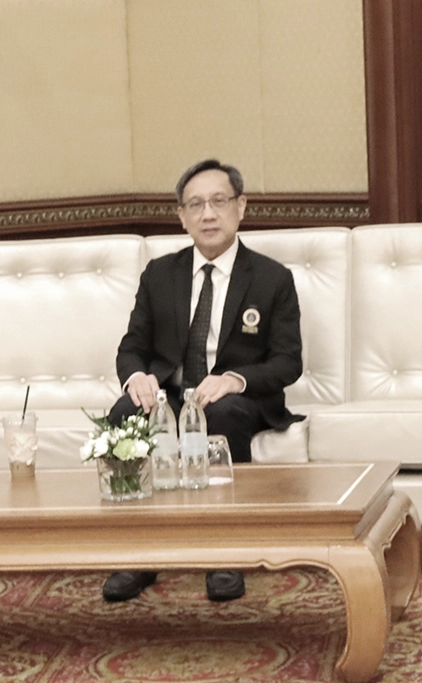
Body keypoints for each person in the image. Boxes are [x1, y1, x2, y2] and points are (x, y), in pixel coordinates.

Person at [102, 159, 304, 603]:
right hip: (172, 393)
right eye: (195, 205)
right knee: (125, 413)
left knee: (224, 412)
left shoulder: (272, 278)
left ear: (240, 206)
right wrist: (136, 377)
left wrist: (234, 379)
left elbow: (288, 363)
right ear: (181, 216)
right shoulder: (160, 274)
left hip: (237, 398)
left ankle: (225, 552)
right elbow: (131, 347)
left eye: (218, 201)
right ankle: (137, 552)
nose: (208, 214)